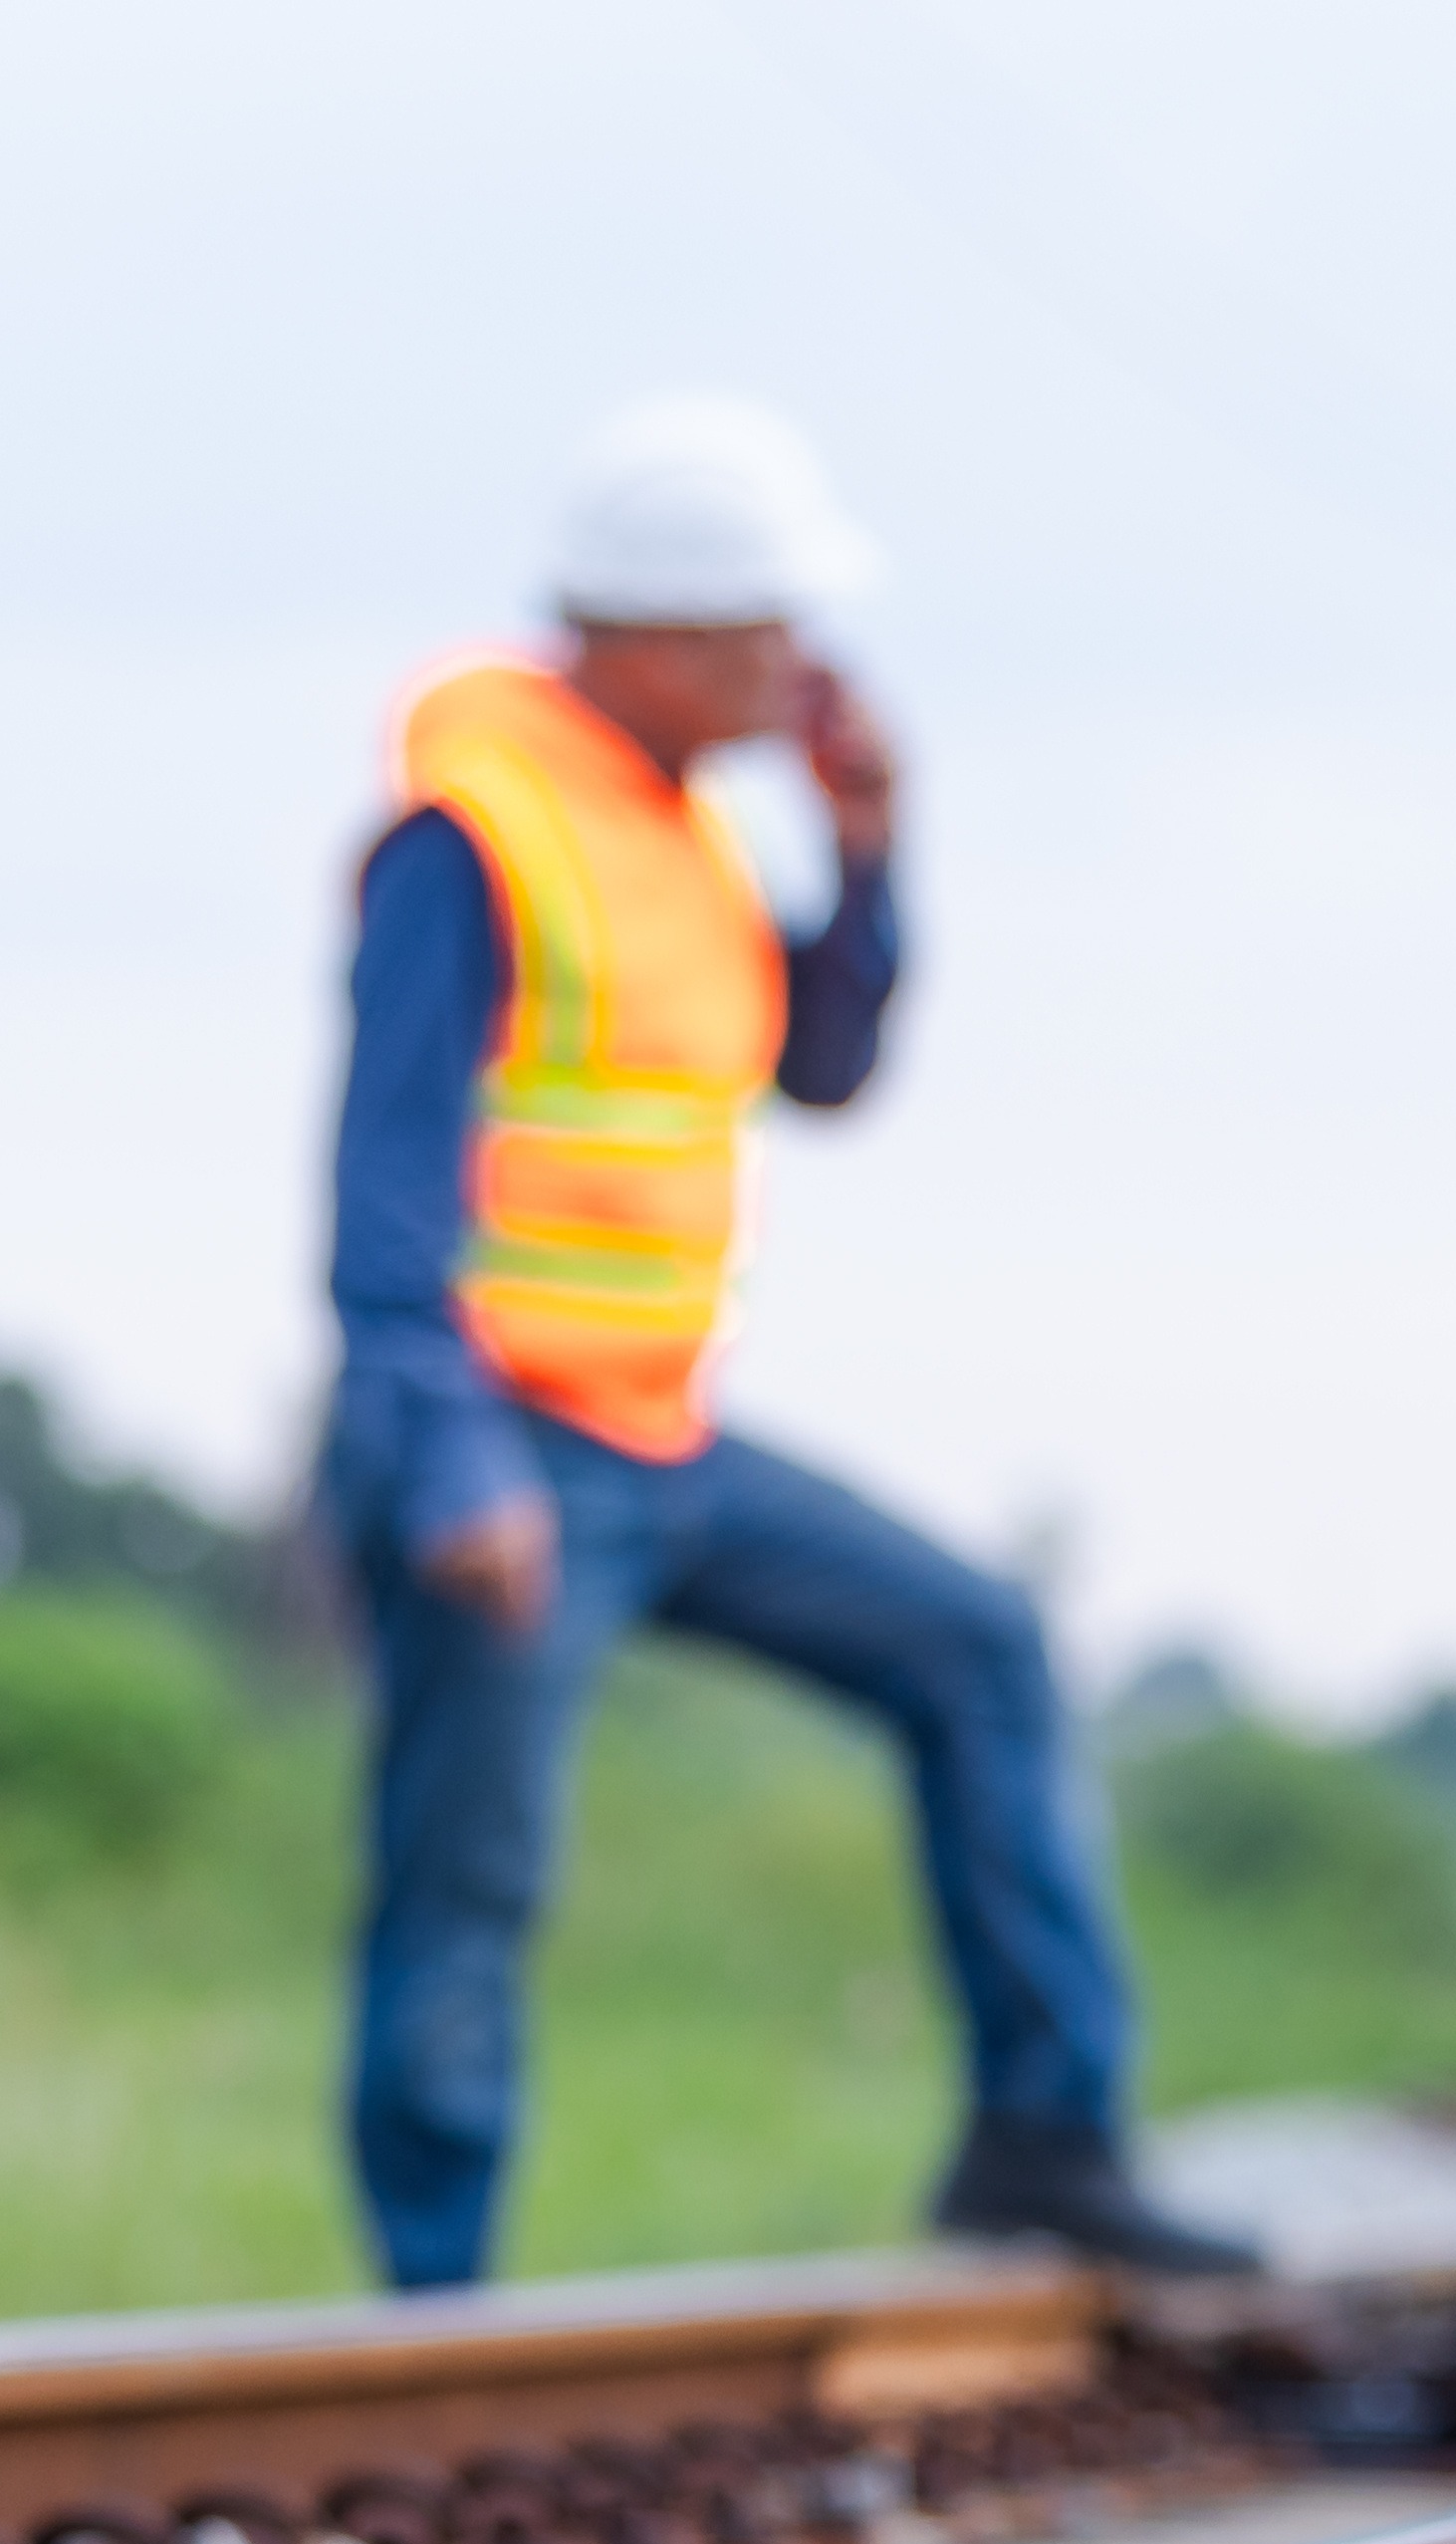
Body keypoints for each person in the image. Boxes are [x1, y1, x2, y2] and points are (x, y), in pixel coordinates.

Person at [315, 397, 1245, 2286]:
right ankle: (431, 2306)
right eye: (767, 634)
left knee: (979, 1646)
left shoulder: (677, 831)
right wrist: (449, 1454)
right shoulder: (469, 837)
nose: (802, 664)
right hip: (497, 1447)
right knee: (469, 1882)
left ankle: (1044, 2136)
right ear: (656, 637)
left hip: (660, 1435)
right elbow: (382, 1182)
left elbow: (820, 1065)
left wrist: (868, 847)